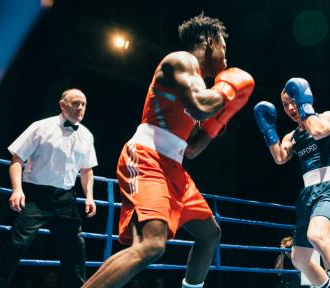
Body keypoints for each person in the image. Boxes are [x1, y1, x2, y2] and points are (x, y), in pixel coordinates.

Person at [83, 13, 254, 288]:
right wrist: (229, 90)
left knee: (209, 234)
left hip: (173, 167)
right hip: (146, 157)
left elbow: (193, 149)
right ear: (210, 42)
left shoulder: (198, 82)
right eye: (224, 48)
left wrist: (215, 125)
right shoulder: (180, 61)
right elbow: (200, 105)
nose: (225, 59)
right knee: (151, 245)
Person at [0, 88, 98, 288]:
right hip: (36, 197)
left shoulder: (87, 135)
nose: (80, 108)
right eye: (75, 103)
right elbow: (17, 159)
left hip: (66, 200)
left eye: (84, 104)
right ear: (62, 105)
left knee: (75, 251)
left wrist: (89, 196)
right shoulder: (41, 127)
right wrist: (17, 189)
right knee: (16, 246)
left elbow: (87, 170)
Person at [254, 78, 330, 288]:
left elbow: (318, 131)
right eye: (285, 104)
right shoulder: (292, 136)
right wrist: (268, 131)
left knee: (317, 236)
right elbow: (280, 158)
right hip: (307, 195)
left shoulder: (327, 117)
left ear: (303, 98)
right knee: (299, 258)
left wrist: (304, 107)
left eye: (293, 101)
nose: (290, 107)